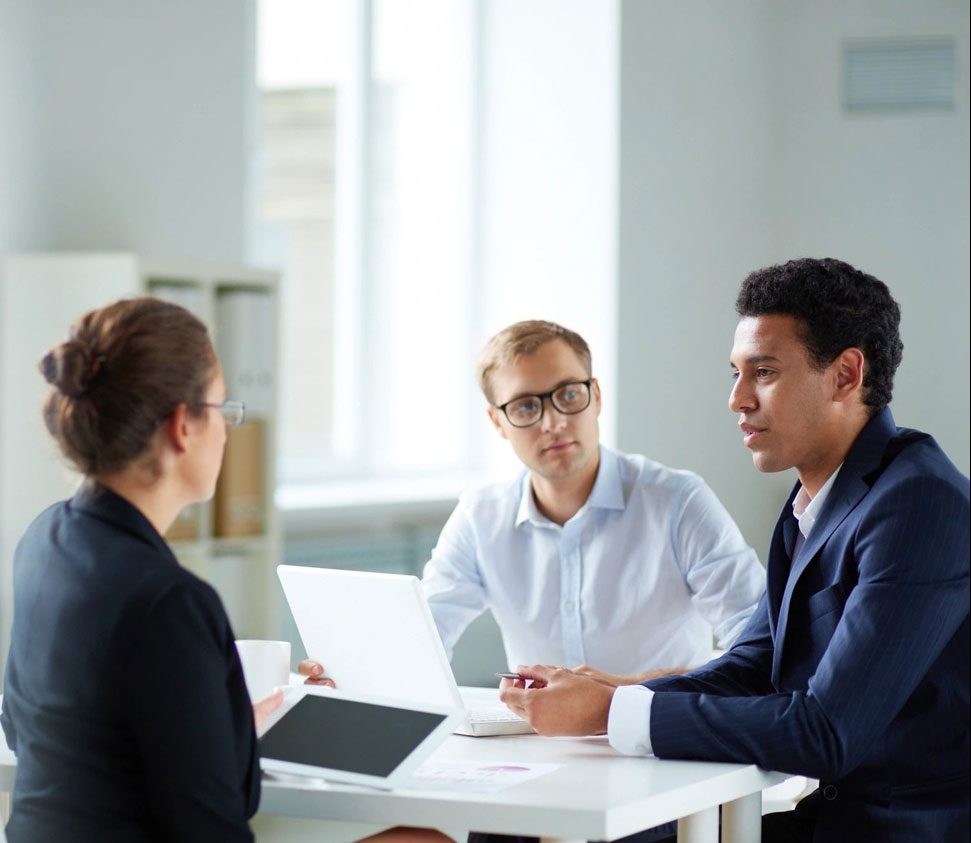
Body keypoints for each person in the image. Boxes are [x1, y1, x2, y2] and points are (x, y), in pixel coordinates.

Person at [498, 259, 970, 842]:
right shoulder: (814, 498)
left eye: (763, 372)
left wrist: (608, 713)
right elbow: (753, 667)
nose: (737, 399)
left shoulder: (920, 503)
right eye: (736, 373)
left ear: (846, 374)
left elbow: (827, 731)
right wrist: (612, 693)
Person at [0, 299, 448, 843]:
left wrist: (220, 731)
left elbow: (28, 730)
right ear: (182, 426)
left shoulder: (47, 539)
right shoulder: (169, 600)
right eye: (222, 409)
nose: (228, 431)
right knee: (425, 840)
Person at [302, 320, 765, 690]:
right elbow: (424, 637)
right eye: (525, 407)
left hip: (663, 742)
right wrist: (350, 672)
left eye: (568, 395)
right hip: (536, 755)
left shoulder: (677, 503)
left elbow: (758, 646)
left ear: (596, 396)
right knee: (412, 810)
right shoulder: (482, 517)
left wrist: (619, 694)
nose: (553, 422)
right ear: (497, 423)